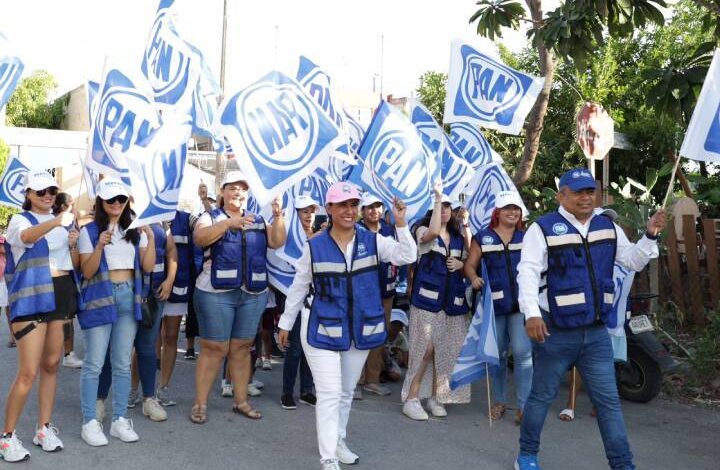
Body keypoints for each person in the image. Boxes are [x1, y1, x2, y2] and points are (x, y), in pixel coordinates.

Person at [514, 168, 666, 470]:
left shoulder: (607, 226)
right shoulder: (542, 228)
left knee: (608, 403)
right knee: (541, 397)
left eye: (589, 191)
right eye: (578, 191)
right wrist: (531, 314)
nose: (585, 197)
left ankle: (622, 464)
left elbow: (633, 260)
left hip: (596, 333)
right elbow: (527, 272)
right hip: (554, 331)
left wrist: (650, 235)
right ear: (562, 196)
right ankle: (527, 456)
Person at [278, 182, 416, 470]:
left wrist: (401, 224)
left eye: (354, 204)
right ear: (329, 208)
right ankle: (328, 457)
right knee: (329, 392)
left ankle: (338, 440)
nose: (349, 211)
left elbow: (407, 256)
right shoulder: (314, 246)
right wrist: (285, 323)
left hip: (358, 328)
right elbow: (299, 286)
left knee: (345, 391)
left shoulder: (373, 240)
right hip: (320, 326)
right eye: (342, 205)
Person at [189, 170, 286, 424]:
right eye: (232, 187)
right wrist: (226, 224)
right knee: (214, 348)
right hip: (215, 293)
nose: (238, 192)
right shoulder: (209, 217)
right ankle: (200, 403)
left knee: (242, 348)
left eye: (242, 188)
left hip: (252, 293)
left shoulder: (257, 219)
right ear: (222, 192)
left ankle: (241, 401)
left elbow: (277, 241)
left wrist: (278, 215)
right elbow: (199, 238)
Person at [0, 171, 79, 462]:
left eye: (52, 191)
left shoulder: (63, 222)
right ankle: (7, 437)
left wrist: (72, 240)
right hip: (33, 296)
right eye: (40, 191)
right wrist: (57, 221)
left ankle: (43, 428)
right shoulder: (20, 220)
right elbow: (25, 238)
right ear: (29, 194)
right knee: (28, 371)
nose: (47, 195)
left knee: (51, 365)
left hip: (59, 292)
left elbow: (68, 260)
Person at [77, 178, 156, 447]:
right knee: (94, 363)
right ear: (100, 202)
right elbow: (86, 271)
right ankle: (90, 420)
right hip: (100, 296)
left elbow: (147, 267)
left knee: (122, 362)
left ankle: (119, 418)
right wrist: (99, 245)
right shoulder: (89, 231)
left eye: (121, 199)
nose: (117, 203)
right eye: (111, 199)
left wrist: (152, 237)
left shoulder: (136, 230)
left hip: (128, 297)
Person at [401, 187, 471, 421]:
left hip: (452, 301)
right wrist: (438, 197)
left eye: (448, 207)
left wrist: (463, 265)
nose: (444, 211)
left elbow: (472, 258)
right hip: (426, 300)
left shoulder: (459, 236)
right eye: (440, 207)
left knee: (446, 349)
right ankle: (411, 397)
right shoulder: (422, 229)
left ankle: (435, 396)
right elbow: (431, 232)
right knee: (425, 348)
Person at [464, 190, 531, 425]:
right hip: (494, 307)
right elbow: (470, 265)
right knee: (499, 355)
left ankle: (524, 406)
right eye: (507, 208)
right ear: (497, 212)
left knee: (523, 353)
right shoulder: (483, 237)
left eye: (516, 209)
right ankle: (500, 401)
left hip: (521, 306)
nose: (512, 212)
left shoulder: (527, 236)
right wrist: (473, 278)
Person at [356, 193, 398, 397]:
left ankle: (372, 379)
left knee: (379, 334)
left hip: (386, 290)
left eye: (378, 206)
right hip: (362, 291)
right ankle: (355, 380)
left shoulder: (390, 230)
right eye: (369, 207)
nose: (374, 211)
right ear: (362, 211)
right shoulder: (356, 231)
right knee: (359, 333)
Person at [280, 195, 318, 410]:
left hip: (316, 299)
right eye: (304, 211)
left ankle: (306, 390)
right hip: (293, 297)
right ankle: (287, 392)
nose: (308, 215)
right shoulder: (289, 238)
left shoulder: (321, 236)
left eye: (311, 210)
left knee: (310, 347)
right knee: (294, 348)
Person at [157, 209, 197, 405]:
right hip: (152, 285)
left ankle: (163, 388)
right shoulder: (148, 214)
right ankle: (136, 389)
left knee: (171, 337)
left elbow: (204, 228)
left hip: (179, 283)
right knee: (147, 340)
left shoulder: (187, 218)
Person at [52, 193, 84, 369]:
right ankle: (65, 353)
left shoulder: (71, 223)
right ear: (64, 207)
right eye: (72, 205)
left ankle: (68, 353)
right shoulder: (56, 224)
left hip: (68, 276)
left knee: (67, 318)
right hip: (58, 276)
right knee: (63, 318)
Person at [383, 308, 410, 382]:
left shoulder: (401, 337)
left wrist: (404, 363)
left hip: (392, 361)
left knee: (396, 376)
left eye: (399, 325)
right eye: (394, 324)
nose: (396, 327)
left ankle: (386, 374)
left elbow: (406, 352)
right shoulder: (382, 335)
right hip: (380, 360)